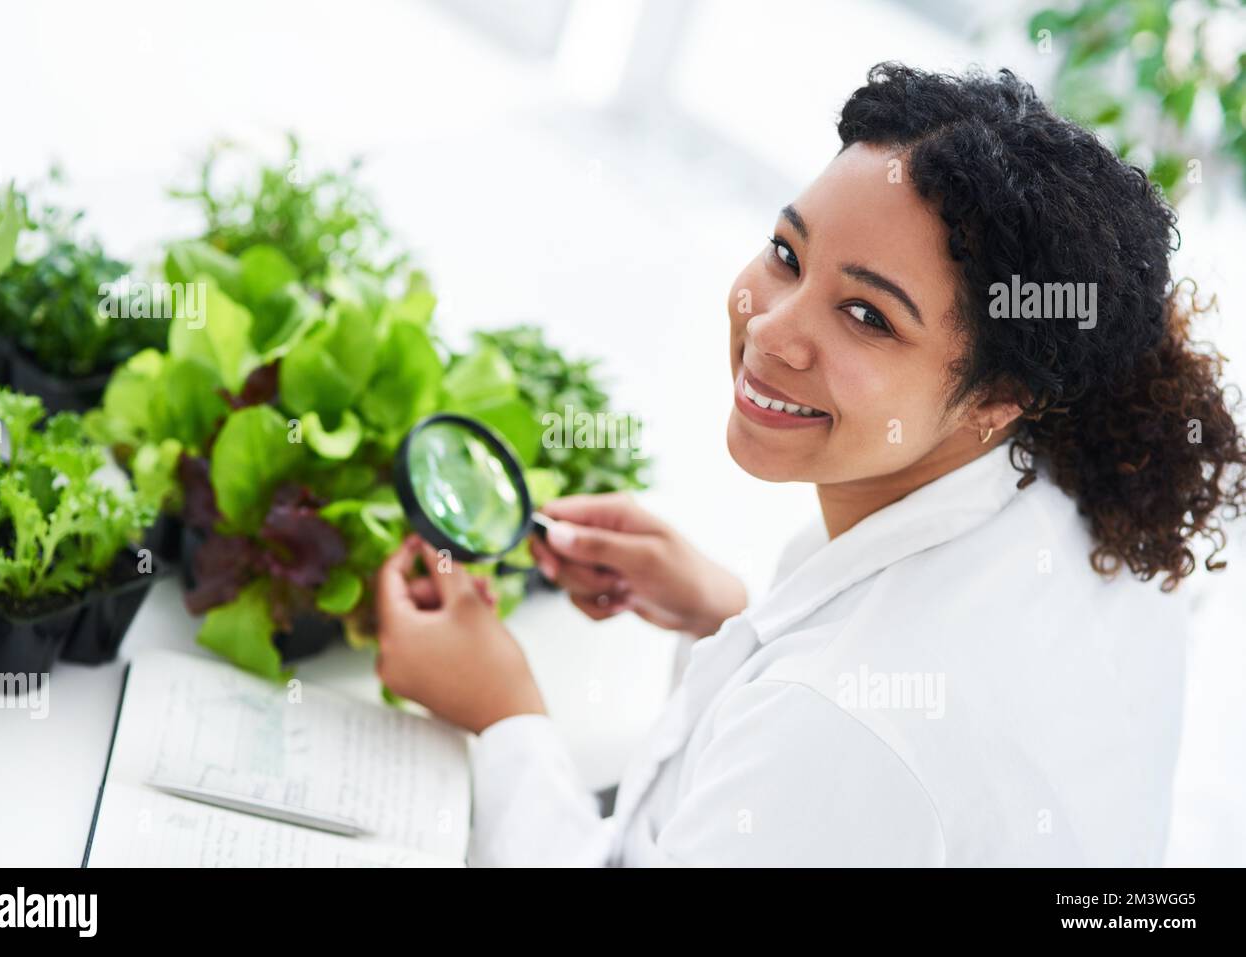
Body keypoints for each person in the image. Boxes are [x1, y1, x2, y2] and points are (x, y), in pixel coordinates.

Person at [374, 63, 1246, 866]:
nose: (769, 328)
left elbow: (831, 754)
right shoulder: (1073, 503)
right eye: (788, 253)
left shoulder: (846, 726)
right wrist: (723, 621)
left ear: (998, 395)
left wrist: (502, 716)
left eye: (868, 315)